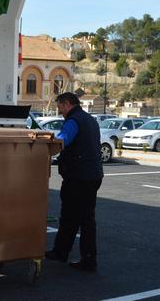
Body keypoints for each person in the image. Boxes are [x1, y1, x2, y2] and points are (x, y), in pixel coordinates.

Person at [45, 92, 103, 272]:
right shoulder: (90, 119)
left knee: (82, 219)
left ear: (68, 104)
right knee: (74, 216)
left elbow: (62, 140)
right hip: (92, 175)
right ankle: (61, 252)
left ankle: (88, 260)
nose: (59, 111)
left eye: (60, 107)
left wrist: (46, 147)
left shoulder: (73, 121)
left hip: (79, 177)